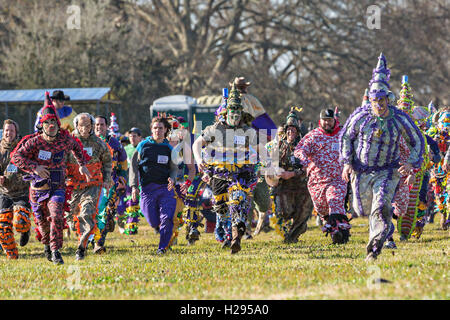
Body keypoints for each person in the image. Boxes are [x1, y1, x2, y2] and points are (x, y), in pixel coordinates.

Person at [339, 53, 424, 262]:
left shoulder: (399, 118)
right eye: (375, 100)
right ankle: (379, 234)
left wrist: (411, 162)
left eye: (382, 100)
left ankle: (374, 248)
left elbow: (418, 141)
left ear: (388, 99)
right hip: (361, 170)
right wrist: (347, 162)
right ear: (370, 100)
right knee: (363, 209)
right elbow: (346, 138)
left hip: (388, 171)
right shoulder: (360, 116)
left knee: (382, 206)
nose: (379, 104)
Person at [11, 92, 90, 264]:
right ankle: (47, 245)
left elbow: (77, 148)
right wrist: (35, 167)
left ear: (58, 123)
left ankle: (56, 251)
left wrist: (82, 164)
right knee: (41, 223)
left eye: (53, 121)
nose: (51, 125)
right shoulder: (35, 142)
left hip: (57, 186)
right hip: (38, 189)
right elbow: (16, 157)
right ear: (42, 125)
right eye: (47, 122)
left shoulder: (65, 139)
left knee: (56, 216)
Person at [193, 82, 259, 254]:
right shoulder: (215, 129)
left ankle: (237, 237)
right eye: (232, 110)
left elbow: (257, 150)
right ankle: (228, 235)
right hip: (219, 175)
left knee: (238, 201)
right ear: (226, 112)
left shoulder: (247, 131)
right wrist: (199, 160)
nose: (235, 114)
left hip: (240, 174)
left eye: (238, 111)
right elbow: (197, 144)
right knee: (221, 210)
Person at [295, 108, 351, 244]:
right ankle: (336, 230)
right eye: (324, 121)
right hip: (317, 182)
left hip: (338, 179)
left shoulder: (343, 135)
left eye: (330, 120)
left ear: (334, 120)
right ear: (320, 121)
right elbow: (300, 150)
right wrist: (303, 160)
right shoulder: (313, 136)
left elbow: (353, 149)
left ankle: (339, 235)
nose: (327, 123)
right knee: (322, 209)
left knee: (334, 201)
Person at [66, 113, 112, 260]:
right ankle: (81, 236)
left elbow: (107, 162)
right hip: (73, 186)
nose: (85, 129)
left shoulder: (98, 143)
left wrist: (106, 179)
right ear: (76, 126)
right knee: (72, 218)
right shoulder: (69, 142)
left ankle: (81, 247)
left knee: (87, 213)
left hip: (93, 184)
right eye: (82, 125)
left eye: (88, 125)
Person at [129, 116, 178, 255]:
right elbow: (133, 166)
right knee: (152, 221)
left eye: (161, 128)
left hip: (165, 188)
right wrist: (134, 186)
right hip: (147, 189)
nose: (158, 130)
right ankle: (158, 228)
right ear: (151, 130)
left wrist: (172, 179)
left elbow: (174, 168)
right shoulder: (143, 145)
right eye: (155, 128)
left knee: (167, 218)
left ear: (166, 130)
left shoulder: (168, 148)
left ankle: (162, 247)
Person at [265, 107, 310, 243]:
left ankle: (295, 232)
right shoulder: (278, 146)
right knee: (283, 212)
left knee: (301, 215)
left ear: (297, 131)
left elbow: (308, 167)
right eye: (288, 130)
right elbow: (270, 164)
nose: (291, 132)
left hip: (301, 185)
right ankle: (288, 233)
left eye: (293, 130)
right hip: (283, 185)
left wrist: (293, 173)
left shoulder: (304, 145)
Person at [91, 115, 128, 253]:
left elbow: (123, 163)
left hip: (110, 184)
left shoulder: (115, 143)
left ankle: (99, 243)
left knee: (105, 213)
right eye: (96, 125)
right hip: (91, 185)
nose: (99, 127)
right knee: (91, 214)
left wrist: (122, 179)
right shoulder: (88, 143)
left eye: (101, 125)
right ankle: (92, 238)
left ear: (107, 127)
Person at [0, 119, 32, 259]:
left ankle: (25, 231)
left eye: (11, 130)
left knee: (20, 221)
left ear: (16, 132)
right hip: (5, 193)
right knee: (3, 228)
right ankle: (12, 255)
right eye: (6, 130)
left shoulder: (23, 148)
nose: (9, 133)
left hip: (22, 193)